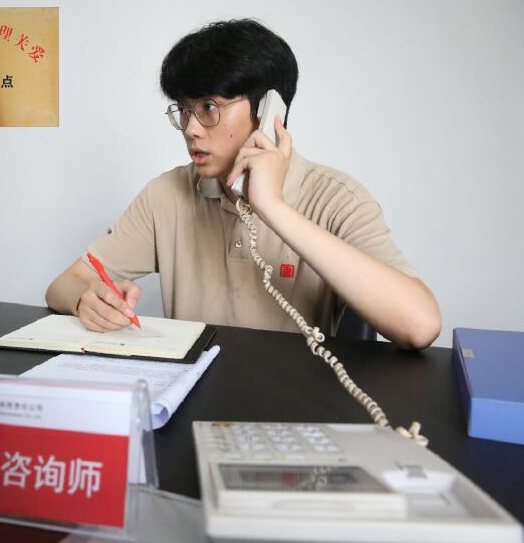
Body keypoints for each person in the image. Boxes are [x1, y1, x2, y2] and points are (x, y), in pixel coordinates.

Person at [45, 19, 441, 349]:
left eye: (208, 108)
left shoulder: (337, 199)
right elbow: (64, 284)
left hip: (296, 403)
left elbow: (420, 325)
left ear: (269, 111)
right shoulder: (166, 195)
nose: (190, 129)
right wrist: (85, 300)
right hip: (194, 397)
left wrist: (272, 207)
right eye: (184, 110)